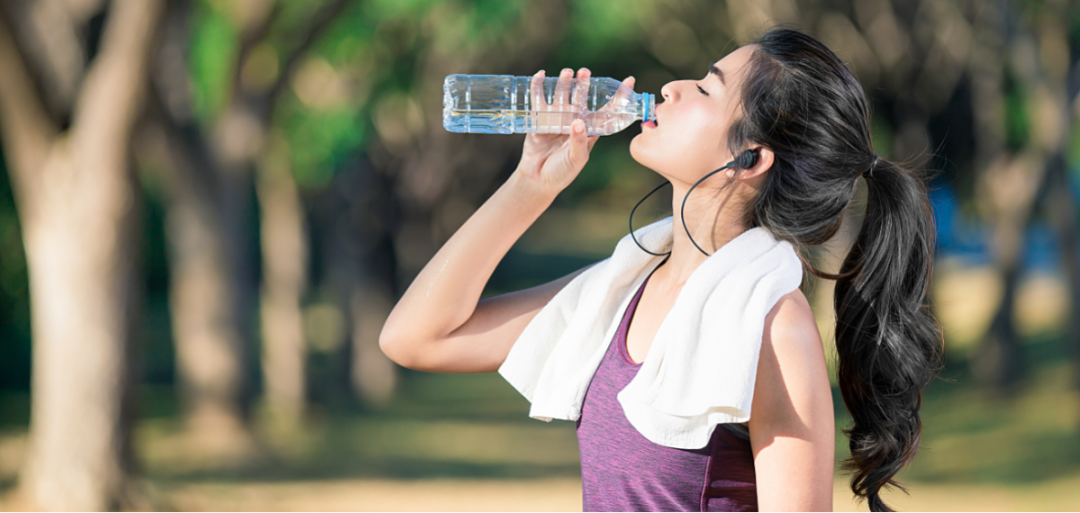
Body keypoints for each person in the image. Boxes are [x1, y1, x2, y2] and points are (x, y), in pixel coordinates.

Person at [380, 27, 942, 513]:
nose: (670, 88)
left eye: (705, 88)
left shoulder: (773, 325)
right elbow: (416, 338)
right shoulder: (619, 291)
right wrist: (532, 184)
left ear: (750, 157)